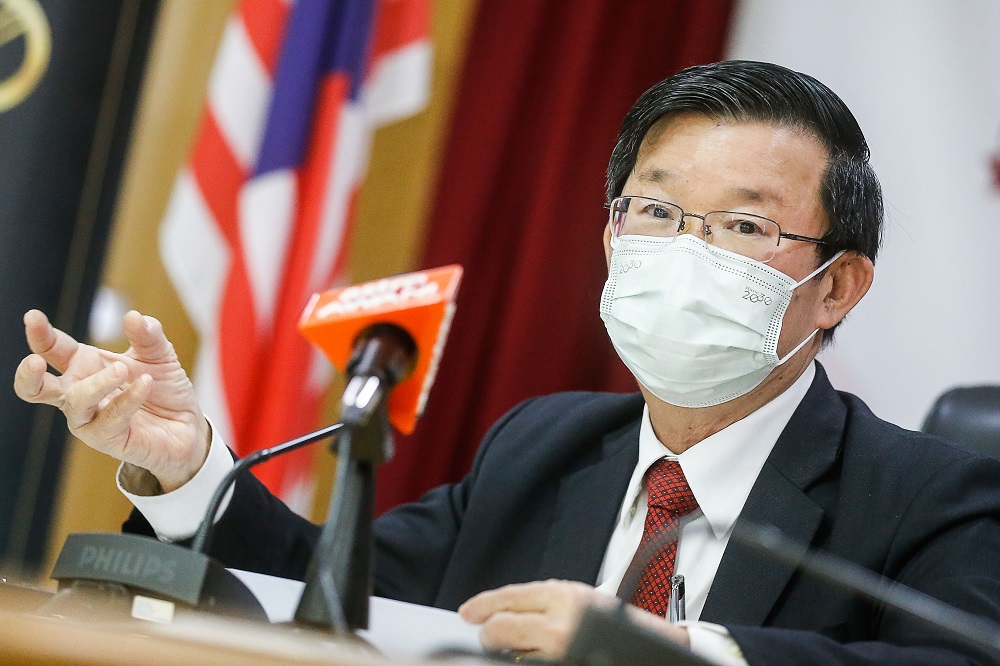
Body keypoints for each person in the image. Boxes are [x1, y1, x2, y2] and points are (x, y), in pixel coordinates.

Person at [15, 61, 1000, 664]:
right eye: (654, 211)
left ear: (836, 288)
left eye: (743, 224)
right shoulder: (547, 443)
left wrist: (669, 655)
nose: (683, 251)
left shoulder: (937, 496)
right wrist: (184, 467)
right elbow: (329, 597)